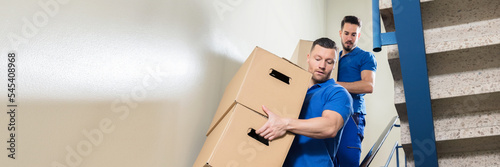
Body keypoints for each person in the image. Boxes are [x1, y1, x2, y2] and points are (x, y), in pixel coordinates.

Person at [256, 37, 353, 167]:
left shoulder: (338, 93)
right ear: (308, 58)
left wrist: (285, 124)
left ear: (335, 65)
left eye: (329, 62)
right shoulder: (293, 91)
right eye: (317, 59)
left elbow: (330, 127)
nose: (322, 66)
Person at [335, 15, 377, 166]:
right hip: (331, 114)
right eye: (346, 33)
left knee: (348, 159)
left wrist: (336, 84)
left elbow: (368, 85)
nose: (349, 38)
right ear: (340, 33)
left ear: (358, 36)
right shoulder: (334, 59)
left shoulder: (365, 57)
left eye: (354, 34)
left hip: (352, 115)